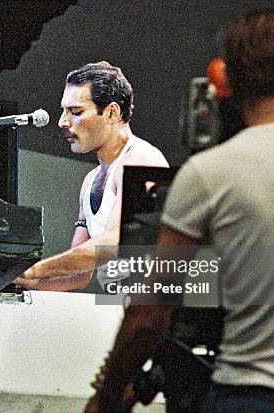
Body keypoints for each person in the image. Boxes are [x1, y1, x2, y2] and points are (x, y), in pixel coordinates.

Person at [84, 9, 274, 413]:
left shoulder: (210, 173)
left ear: (223, 82)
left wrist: (106, 395)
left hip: (248, 397)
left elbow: (148, 316)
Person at [15, 61, 168, 291]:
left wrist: (34, 270)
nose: (62, 122)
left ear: (111, 112)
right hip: (126, 307)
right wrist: (13, 280)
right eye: (64, 111)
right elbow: (78, 276)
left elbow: (114, 243)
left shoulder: (141, 158)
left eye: (75, 112)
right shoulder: (90, 181)